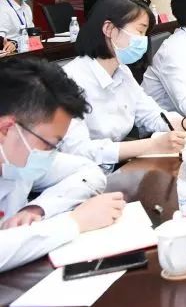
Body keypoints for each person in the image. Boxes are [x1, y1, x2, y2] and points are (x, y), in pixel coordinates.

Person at [0, 59, 126, 272]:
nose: (50, 153)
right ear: (6, 129)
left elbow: (89, 172)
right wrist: (74, 222)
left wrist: (39, 208)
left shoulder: (18, 159)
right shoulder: (21, 153)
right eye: (49, 144)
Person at [60, 0, 186, 168]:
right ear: (109, 29)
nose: (143, 40)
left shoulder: (122, 71)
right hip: (81, 174)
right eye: (140, 31)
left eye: (146, 34)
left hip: (116, 167)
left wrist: (185, 123)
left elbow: (151, 115)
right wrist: (151, 145)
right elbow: (78, 150)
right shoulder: (70, 80)